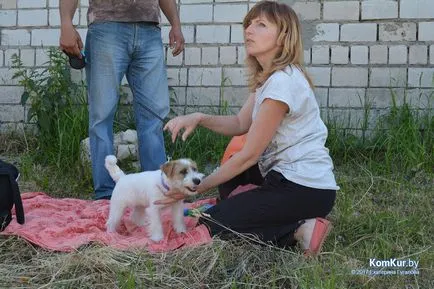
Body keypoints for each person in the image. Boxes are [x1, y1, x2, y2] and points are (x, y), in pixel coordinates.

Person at [160, 0, 339, 255]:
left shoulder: (283, 84)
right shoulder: (270, 79)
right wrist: (199, 117)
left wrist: (197, 187)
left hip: (305, 189)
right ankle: (256, 207)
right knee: (231, 179)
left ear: (284, 37)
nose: (248, 30)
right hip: (284, 178)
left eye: (261, 25)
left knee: (212, 223)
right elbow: (239, 124)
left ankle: (301, 229)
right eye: (249, 24)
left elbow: (249, 155)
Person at [59, 0, 185, 200]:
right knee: (101, 116)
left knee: (154, 117)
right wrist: (66, 23)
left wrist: (175, 24)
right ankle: (107, 195)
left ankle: (158, 192)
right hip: (107, 27)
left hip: (149, 29)